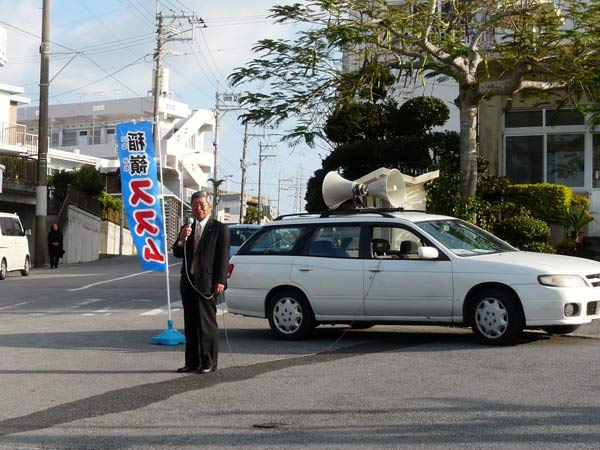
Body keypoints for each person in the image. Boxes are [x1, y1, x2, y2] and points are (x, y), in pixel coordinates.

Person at [172, 191, 230, 374]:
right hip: (188, 282)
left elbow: (223, 257)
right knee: (190, 324)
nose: (198, 208)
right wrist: (181, 239)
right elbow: (177, 253)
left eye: (201, 205)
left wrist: (220, 280)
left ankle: (209, 362)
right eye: (195, 205)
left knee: (206, 324)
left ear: (210, 207)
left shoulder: (219, 229)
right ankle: (192, 362)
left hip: (207, 282)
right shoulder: (187, 227)